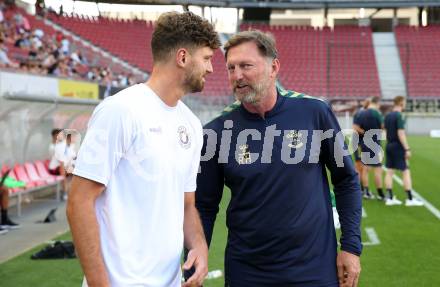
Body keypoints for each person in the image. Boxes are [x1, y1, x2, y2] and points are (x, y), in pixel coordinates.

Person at [196, 30, 362, 286]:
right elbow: (205, 206)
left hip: (314, 269)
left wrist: (351, 247)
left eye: (246, 66)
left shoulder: (314, 113)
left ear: (274, 67)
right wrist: (197, 258)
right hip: (247, 272)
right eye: (231, 68)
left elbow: (346, 180)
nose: (237, 75)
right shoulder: (216, 131)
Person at [67, 11, 220, 287]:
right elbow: (79, 202)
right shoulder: (121, 111)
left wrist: (199, 245)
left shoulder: (192, 125)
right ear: (183, 57)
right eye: (207, 58)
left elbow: (186, 204)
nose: (211, 68)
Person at [384, 96, 424, 207]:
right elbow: (401, 133)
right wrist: (407, 148)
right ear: (401, 103)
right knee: (406, 171)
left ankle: (390, 198)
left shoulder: (387, 115)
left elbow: (386, 131)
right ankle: (410, 199)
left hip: (389, 145)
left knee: (389, 172)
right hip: (398, 146)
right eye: (405, 102)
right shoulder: (399, 115)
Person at [356, 96, 385, 200]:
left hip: (364, 142)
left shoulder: (362, 113)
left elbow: (355, 127)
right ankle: (381, 194)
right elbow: (382, 126)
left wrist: (365, 133)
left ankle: (366, 192)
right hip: (375, 143)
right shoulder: (377, 113)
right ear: (377, 103)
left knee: (365, 169)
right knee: (378, 169)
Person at [352, 98, 370, 182]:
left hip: (363, 142)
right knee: (359, 165)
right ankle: (359, 187)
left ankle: (362, 187)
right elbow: (355, 128)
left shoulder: (363, 113)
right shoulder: (360, 113)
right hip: (358, 142)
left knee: (364, 165)